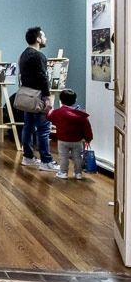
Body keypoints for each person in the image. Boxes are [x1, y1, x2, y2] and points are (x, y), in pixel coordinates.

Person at [18, 26, 60, 171]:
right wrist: (47, 97)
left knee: (28, 127)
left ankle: (28, 157)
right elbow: (43, 78)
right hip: (38, 97)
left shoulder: (24, 54)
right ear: (38, 39)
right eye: (44, 36)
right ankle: (46, 161)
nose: (45, 38)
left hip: (27, 96)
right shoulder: (38, 56)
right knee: (44, 129)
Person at [47, 89, 94, 180]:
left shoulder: (58, 112)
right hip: (77, 141)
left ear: (61, 100)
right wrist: (88, 139)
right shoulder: (81, 115)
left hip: (62, 140)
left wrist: (49, 110)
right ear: (75, 100)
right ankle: (78, 173)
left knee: (63, 157)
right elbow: (87, 128)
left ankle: (63, 172)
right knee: (78, 157)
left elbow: (49, 117)